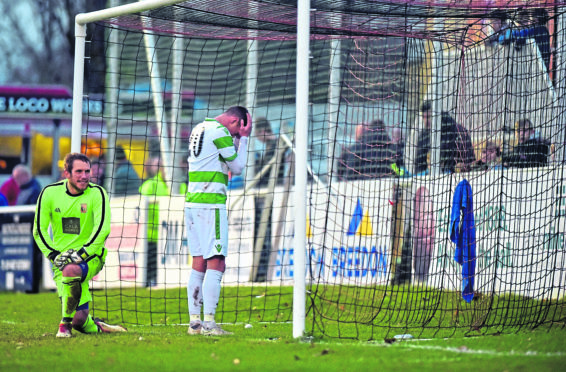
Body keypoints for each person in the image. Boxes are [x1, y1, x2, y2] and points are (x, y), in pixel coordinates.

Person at [33, 152, 127, 337]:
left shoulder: (97, 193)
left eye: (87, 171)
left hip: (91, 258)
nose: (84, 176)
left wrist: (82, 255)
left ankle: (64, 325)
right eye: (78, 172)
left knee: (71, 270)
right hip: (60, 261)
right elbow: (39, 230)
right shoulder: (49, 193)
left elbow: (102, 230)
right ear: (66, 173)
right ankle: (98, 326)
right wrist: (54, 256)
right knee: (80, 321)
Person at [185, 106, 252, 335]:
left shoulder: (199, 127)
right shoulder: (220, 132)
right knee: (217, 261)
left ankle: (194, 323)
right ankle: (210, 324)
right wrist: (244, 139)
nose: (235, 137)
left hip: (192, 202)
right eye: (236, 131)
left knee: (198, 262)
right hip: (210, 203)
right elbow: (238, 167)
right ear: (235, 122)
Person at [139, 155, 170, 286]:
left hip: (170, 236)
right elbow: (141, 208)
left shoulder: (180, 186)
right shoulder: (150, 185)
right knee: (150, 269)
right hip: (151, 236)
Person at [414, 101, 432, 175]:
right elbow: (419, 162)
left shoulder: (444, 132)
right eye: (424, 117)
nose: (426, 120)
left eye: (428, 117)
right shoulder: (422, 136)